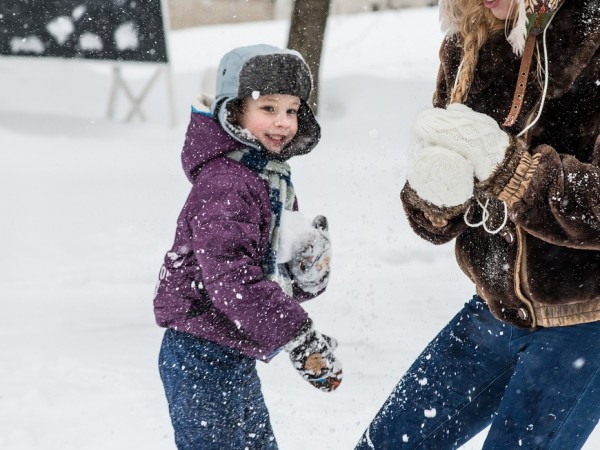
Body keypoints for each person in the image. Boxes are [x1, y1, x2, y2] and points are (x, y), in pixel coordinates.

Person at [356, 0, 600, 448]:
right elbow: (440, 202)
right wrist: (435, 196)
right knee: (387, 443)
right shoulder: (467, 44)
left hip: (585, 323)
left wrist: (516, 174)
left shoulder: (594, 36)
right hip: (494, 308)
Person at [153, 44, 342, 450]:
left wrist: (306, 273)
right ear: (234, 110)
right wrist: (299, 335)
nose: (283, 123)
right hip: (199, 355)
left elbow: (264, 272)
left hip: (232, 353)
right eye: (269, 108)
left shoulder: (268, 176)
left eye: (292, 110)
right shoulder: (227, 183)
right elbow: (230, 280)